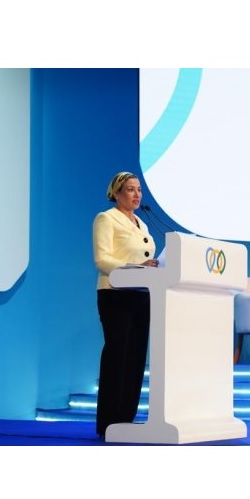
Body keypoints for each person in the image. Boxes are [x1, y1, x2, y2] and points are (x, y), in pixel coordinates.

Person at [92, 171, 159, 437]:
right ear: (116, 193)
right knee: (118, 356)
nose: (137, 194)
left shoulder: (142, 223)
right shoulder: (106, 219)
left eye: (139, 189)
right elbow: (102, 259)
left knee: (136, 358)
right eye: (130, 189)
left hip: (141, 294)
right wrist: (136, 267)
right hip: (115, 293)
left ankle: (126, 421)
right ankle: (109, 423)